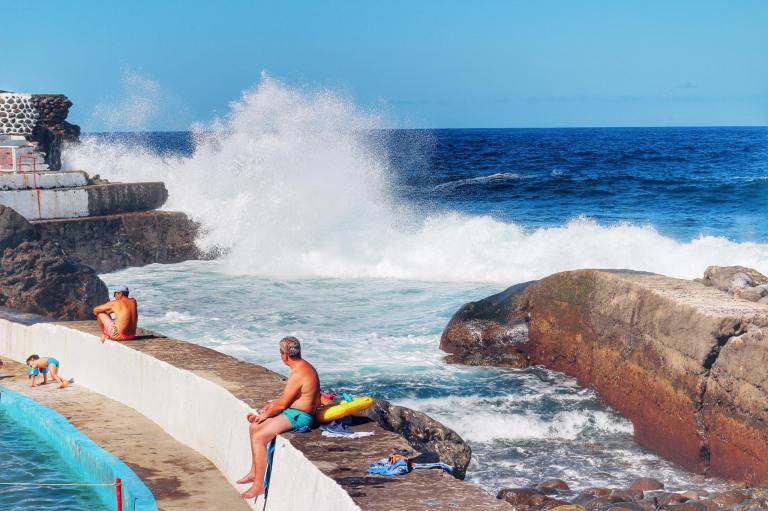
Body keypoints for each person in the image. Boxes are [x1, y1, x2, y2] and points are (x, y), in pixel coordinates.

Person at [237, 336, 321, 499]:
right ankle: (254, 472)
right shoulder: (302, 368)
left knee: (260, 438)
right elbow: (285, 399)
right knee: (254, 427)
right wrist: (266, 410)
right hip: (292, 412)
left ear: (284, 355)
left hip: (301, 416)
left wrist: (267, 414)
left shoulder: (299, 372)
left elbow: (282, 405)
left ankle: (259, 485)